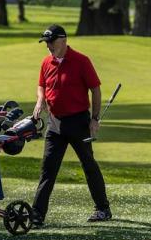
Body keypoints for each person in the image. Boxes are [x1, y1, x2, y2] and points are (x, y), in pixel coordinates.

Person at [31, 24, 112, 226]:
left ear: (63, 40)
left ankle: (103, 209)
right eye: (46, 42)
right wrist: (40, 100)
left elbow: (96, 90)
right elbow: (41, 85)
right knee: (48, 169)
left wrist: (94, 119)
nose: (48, 46)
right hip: (55, 123)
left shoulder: (81, 61)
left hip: (78, 122)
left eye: (51, 42)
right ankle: (37, 214)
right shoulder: (46, 62)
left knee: (89, 165)